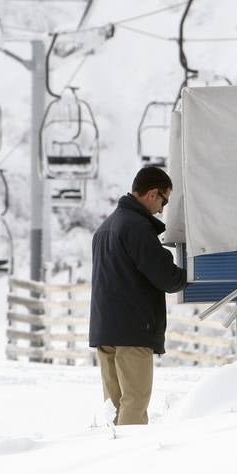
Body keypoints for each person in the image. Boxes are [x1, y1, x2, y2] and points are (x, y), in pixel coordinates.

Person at [89, 166, 188, 426]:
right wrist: (189, 275)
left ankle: (105, 458)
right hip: (132, 332)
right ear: (153, 194)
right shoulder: (136, 227)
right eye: (164, 201)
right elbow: (165, 276)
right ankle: (129, 460)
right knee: (134, 402)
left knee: (113, 405)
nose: (162, 209)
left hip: (105, 331)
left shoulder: (105, 228)